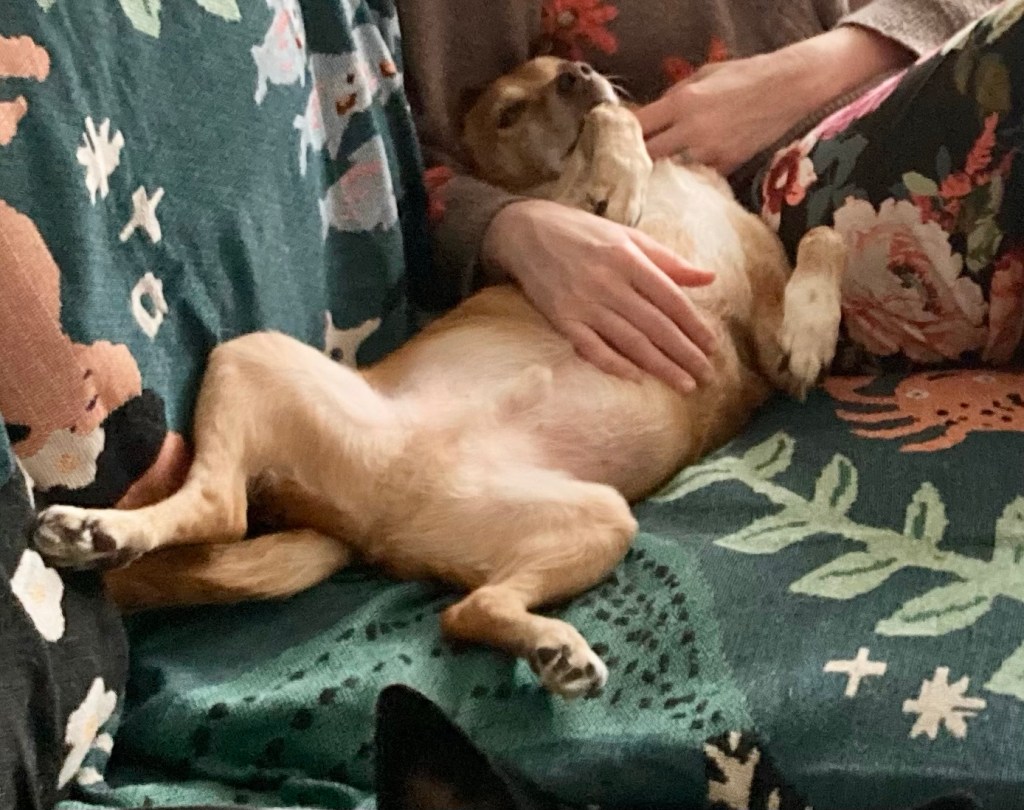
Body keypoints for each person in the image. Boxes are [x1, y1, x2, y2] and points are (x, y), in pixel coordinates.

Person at [398, 0, 1022, 391]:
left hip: (887, 117)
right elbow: (406, 161)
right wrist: (511, 231)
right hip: (739, 237)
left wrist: (798, 76)